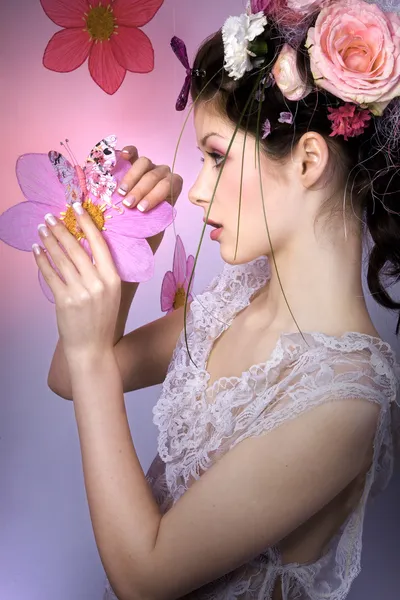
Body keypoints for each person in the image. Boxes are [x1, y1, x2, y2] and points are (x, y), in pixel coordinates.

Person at [36, 1, 400, 599]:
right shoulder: (232, 305)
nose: (198, 192)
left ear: (309, 159)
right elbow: (70, 374)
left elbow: (144, 577)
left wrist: (90, 352)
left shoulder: (345, 400)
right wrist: (134, 241)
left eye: (216, 156)